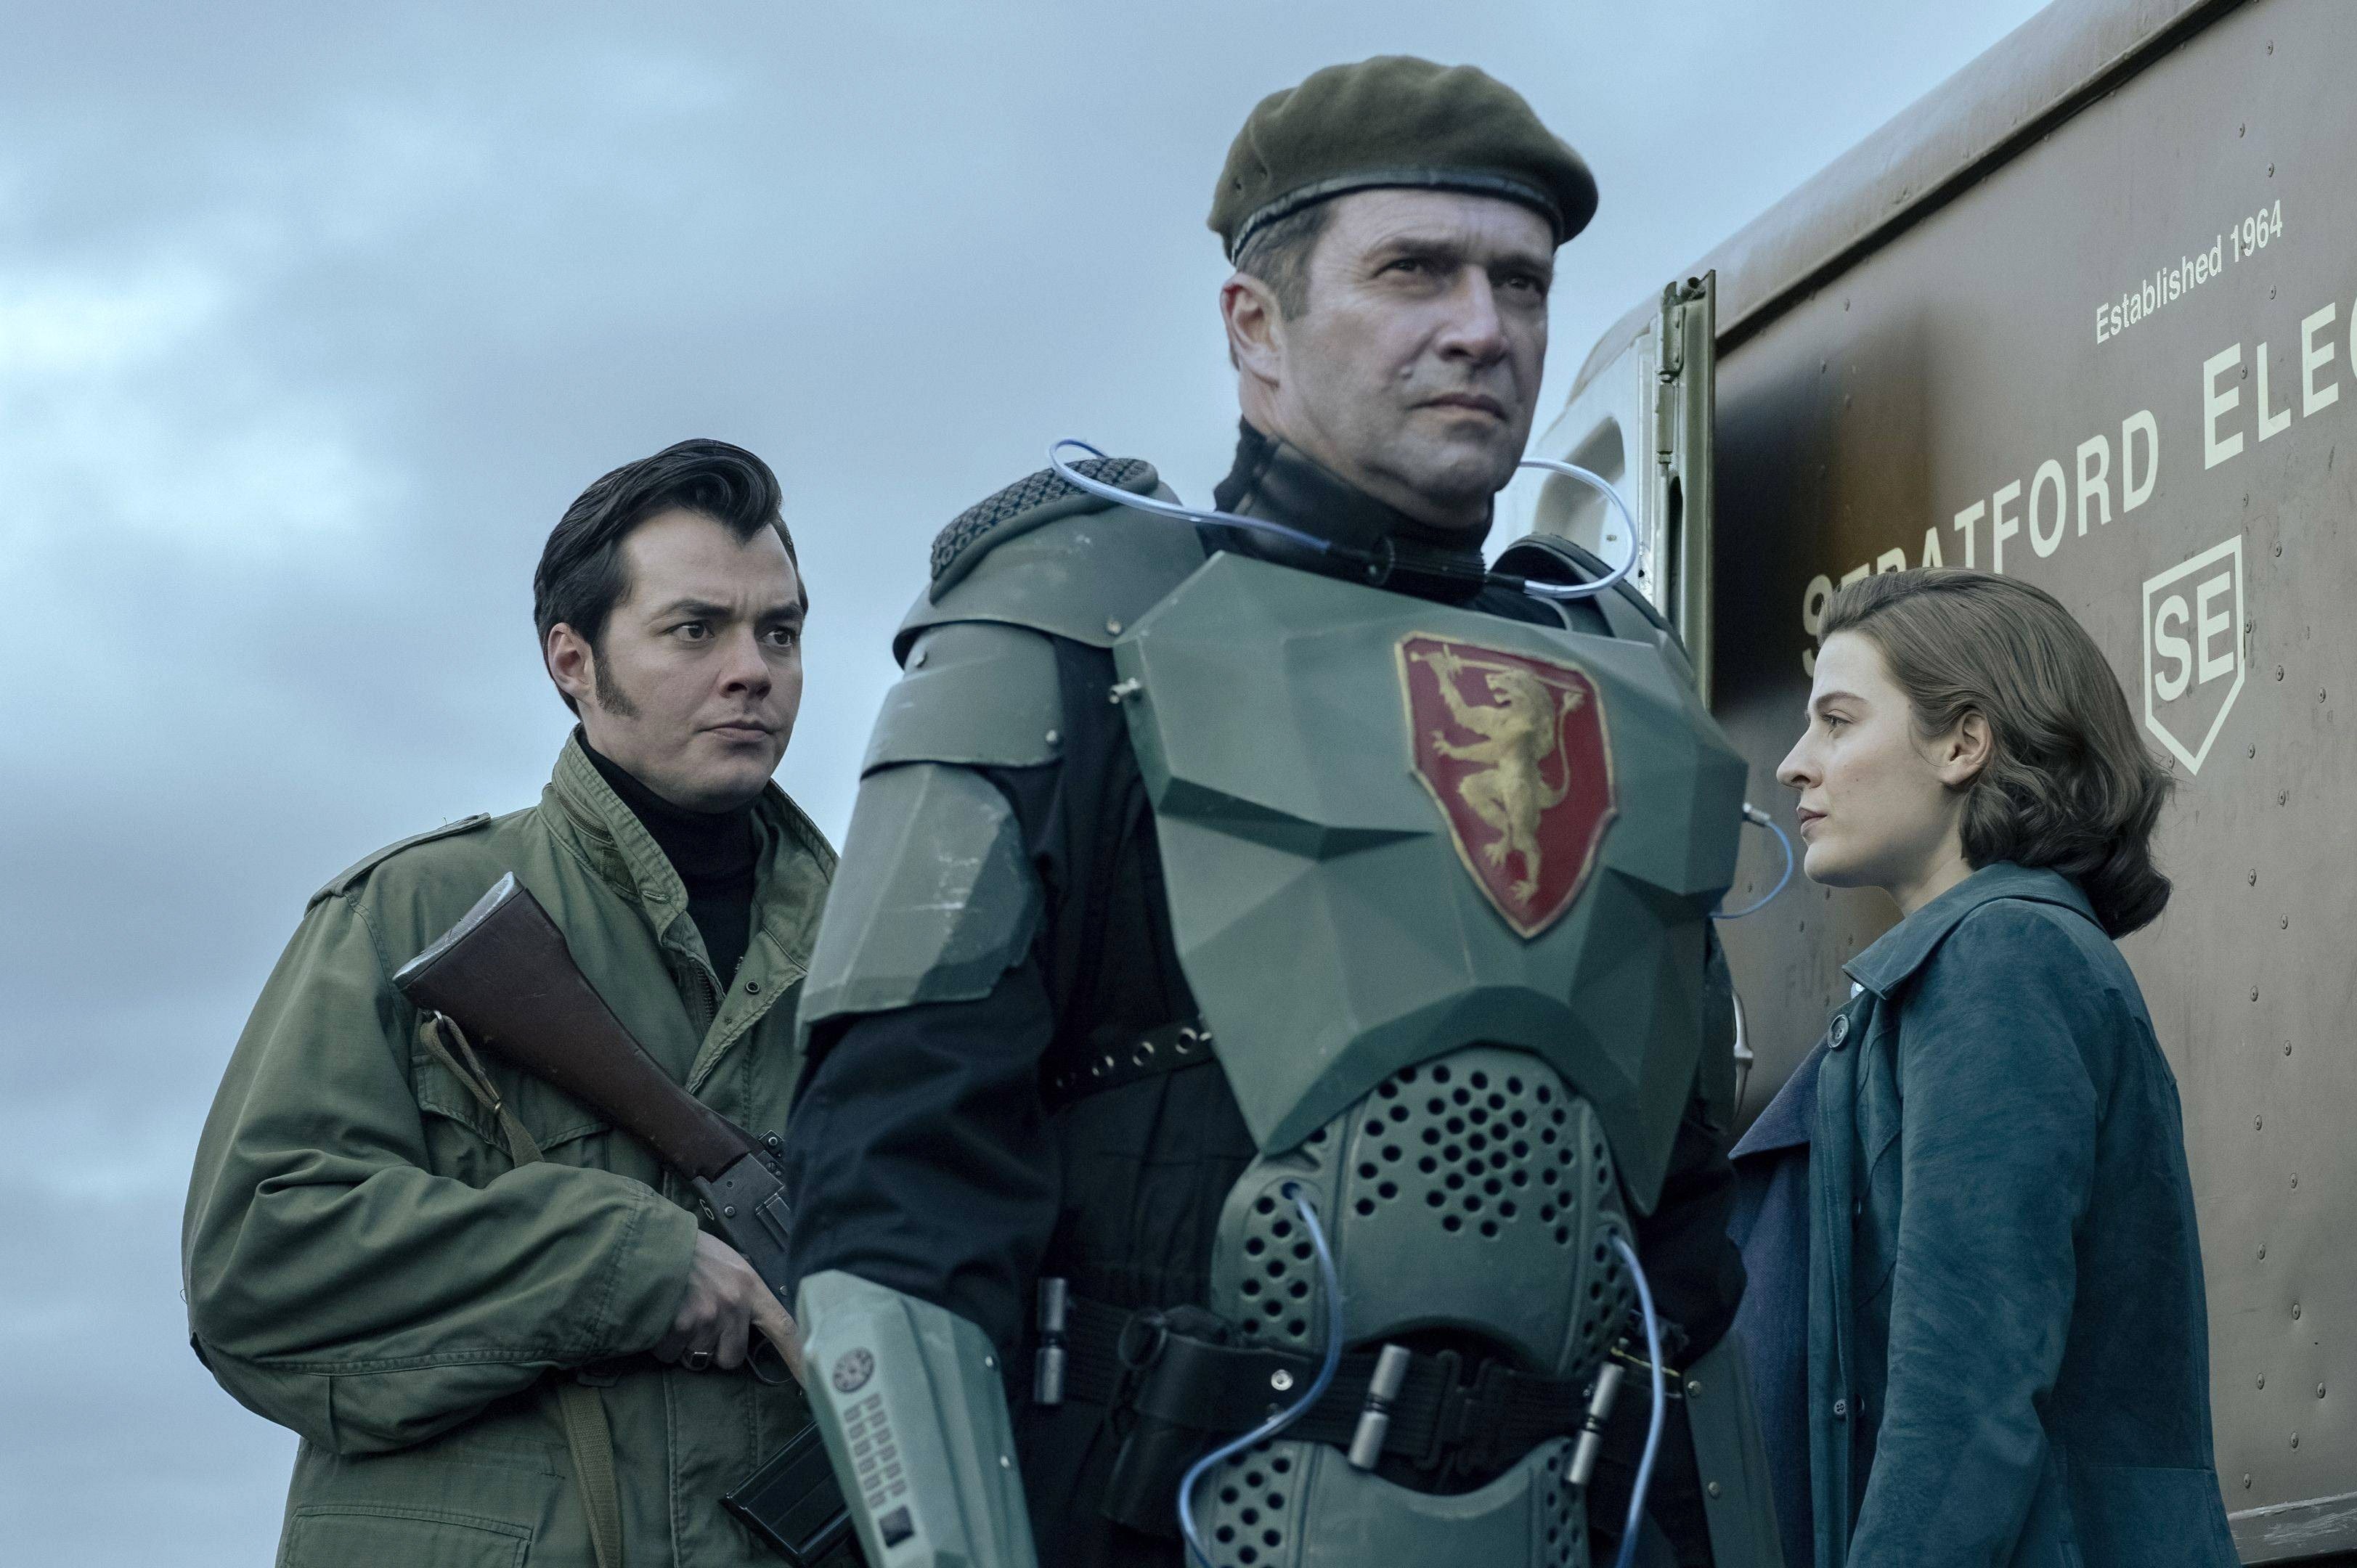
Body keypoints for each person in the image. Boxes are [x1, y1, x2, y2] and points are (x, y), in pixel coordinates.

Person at [785, 56, 1780, 1568]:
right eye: (1416, 270)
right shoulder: (1073, 626)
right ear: (1256, 324)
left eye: (1520, 283)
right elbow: (894, 1196)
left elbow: (1683, 1268)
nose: (1483, 327)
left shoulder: (1619, 683)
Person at [183, 439, 836, 1568]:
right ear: (573, 660)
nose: (752, 670)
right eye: (696, 630)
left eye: (779, 632)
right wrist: (625, 1263)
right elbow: (259, 1263)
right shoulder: (418, 912)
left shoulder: (890, 956)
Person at [1727, 567, 2239, 1568]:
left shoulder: (2002, 957)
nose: (1792, 765)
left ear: (1963, 744)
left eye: (1837, 722)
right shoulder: (1979, 962)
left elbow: (1967, 1391)